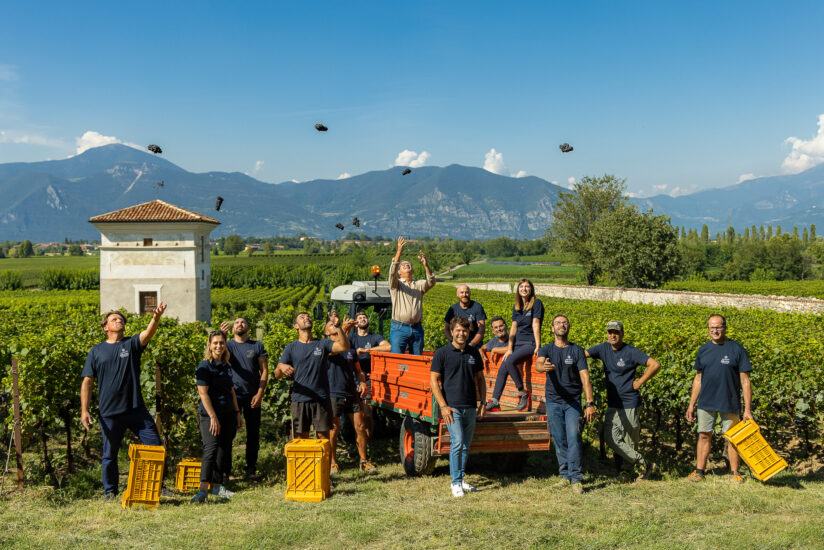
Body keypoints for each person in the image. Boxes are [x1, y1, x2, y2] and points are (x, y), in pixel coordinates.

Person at [80, 304, 167, 500]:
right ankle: (110, 492)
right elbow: (87, 382)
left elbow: (147, 334)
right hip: (109, 412)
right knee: (109, 455)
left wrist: (156, 318)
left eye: (121, 320)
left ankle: (156, 486)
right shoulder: (96, 351)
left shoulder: (131, 345)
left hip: (136, 409)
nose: (119, 321)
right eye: (114, 319)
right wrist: (84, 410)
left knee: (155, 447)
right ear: (105, 327)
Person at [585, 321, 660, 481]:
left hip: (630, 403)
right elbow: (582, 354)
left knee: (629, 440)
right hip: (613, 403)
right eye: (610, 332)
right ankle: (643, 463)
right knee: (610, 437)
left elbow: (654, 365)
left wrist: (639, 382)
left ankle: (626, 473)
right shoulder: (602, 348)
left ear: (622, 334)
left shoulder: (631, 351)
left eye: (616, 332)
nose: (613, 335)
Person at [686, 314, 753, 484]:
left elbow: (745, 381)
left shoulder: (737, 349)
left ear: (725, 327)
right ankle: (699, 471)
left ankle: (734, 473)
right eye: (711, 328)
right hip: (706, 401)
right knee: (703, 435)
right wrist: (691, 404)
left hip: (729, 401)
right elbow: (698, 379)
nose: (714, 331)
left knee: (732, 437)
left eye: (718, 327)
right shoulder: (703, 350)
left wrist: (747, 410)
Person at [536, 315, 596, 494]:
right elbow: (539, 364)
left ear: (568, 327)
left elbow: (585, 377)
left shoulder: (577, 350)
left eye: (565, 323)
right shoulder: (546, 350)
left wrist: (590, 403)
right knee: (559, 439)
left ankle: (576, 479)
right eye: (558, 323)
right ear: (552, 328)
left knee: (573, 438)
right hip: (554, 401)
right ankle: (564, 476)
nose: (562, 325)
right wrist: (543, 366)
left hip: (573, 403)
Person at [275, 312, 355, 440]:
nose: (306, 318)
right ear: (296, 326)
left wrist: (338, 325)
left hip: (321, 398)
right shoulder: (291, 347)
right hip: (300, 399)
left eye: (308, 317)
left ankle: (323, 461)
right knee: (301, 438)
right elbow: (277, 375)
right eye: (302, 317)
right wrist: (281, 367)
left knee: (323, 437)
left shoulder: (322, 344)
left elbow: (344, 346)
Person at [430, 317, 486, 497]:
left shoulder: (473, 353)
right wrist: (443, 406)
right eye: (458, 330)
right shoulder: (442, 353)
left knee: (466, 445)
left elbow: (481, 379)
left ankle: (461, 479)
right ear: (452, 332)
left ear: (468, 332)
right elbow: (433, 380)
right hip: (452, 407)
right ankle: (455, 483)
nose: (461, 334)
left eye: (465, 331)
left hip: (470, 406)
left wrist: (483, 402)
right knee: (458, 442)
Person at [191, 330, 243, 503]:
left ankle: (217, 487)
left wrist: (237, 413)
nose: (219, 346)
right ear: (209, 345)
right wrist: (213, 417)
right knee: (211, 449)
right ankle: (203, 490)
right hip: (210, 415)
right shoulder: (204, 366)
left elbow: (231, 391)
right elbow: (203, 394)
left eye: (222, 342)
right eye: (215, 343)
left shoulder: (227, 365)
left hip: (228, 413)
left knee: (223, 449)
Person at [219, 317, 268, 480]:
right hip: (233, 395)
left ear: (249, 327)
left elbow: (264, 371)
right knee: (228, 433)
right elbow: (218, 356)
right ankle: (226, 471)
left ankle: (251, 469)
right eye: (237, 322)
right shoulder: (227, 345)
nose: (240, 324)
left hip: (253, 395)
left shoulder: (257, 346)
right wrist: (222, 336)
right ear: (232, 329)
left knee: (253, 433)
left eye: (243, 322)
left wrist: (259, 393)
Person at [324, 321, 376, 474]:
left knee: (360, 427)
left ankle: (363, 461)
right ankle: (333, 462)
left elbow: (358, 370)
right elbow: (338, 347)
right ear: (327, 333)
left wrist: (362, 382)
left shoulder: (350, 350)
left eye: (337, 329)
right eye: (332, 329)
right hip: (333, 394)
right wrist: (343, 329)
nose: (335, 330)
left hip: (351, 394)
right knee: (333, 429)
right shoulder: (326, 347)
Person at [485, 279, 542, 412]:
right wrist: (510, 347)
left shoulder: (536, 303)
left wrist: (537, 345)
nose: (524, 289)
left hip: (529, 343)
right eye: (521, 286)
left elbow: (535, 324)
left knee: (510, 360)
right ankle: (495, 401)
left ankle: (522, 392)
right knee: (503, 366)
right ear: (518, 290)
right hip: (517, 343)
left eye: (527, 286)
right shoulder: (517, 306)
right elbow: (513, 328)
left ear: (531, 289)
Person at [388, 236, 436, 354]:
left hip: (417, 329)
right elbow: (392, 271)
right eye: (403, 265)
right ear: (399, 272)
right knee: (397, 361)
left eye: (408, 264)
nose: (406, 265)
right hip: (399, 328)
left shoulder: (418, 285)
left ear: (412, 270)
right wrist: (399, 250)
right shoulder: (396, 285)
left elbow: (431, 282)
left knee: (417, 362)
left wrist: (426, 265)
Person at [348, 310, 391, 437]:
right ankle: (358, 437)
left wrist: (367, 350)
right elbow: (340, 344)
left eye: (364, 317)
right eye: (360, 318)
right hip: (352, 378)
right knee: (354, 413)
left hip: (368, 379)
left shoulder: (374, 337)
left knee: (367, 413)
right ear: (356, 324)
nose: (362, 319)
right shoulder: (351, 338)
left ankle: (368, 440)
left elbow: (387, 347)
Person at [443, 284, 487, 349]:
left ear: (470, 294)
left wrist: (472, 344)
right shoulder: (453, 309)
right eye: (462, 292)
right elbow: (446, 328)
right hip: (457, 341)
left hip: (474, 342)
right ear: (457, 295)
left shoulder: (477, 307)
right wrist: (453, 341)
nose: (464, 295)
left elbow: (481, 329)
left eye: (466, 292)